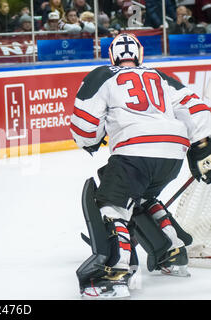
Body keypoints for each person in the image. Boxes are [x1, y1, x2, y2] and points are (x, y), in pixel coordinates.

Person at [70, 33, 211, 299]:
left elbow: (84, 121)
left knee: (112, 203)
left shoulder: (102, 74)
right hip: (173, 151)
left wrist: (90, 139)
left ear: (111, 55)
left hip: (135, 149)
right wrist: (203, 146)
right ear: (140, 54)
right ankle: (171, 252)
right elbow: (196, 107)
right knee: (143, 196)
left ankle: (114, 273)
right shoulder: (159, 75)